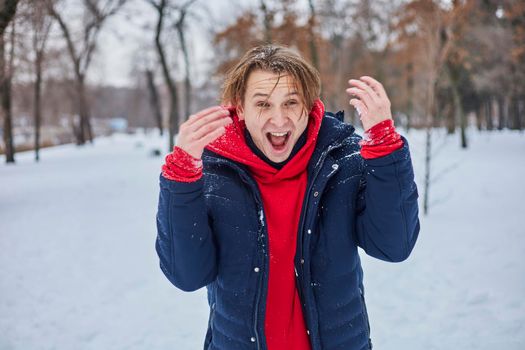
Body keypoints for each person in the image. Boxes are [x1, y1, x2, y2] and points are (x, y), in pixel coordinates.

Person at [155, 44, 420, 350]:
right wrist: (181, 179)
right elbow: (187, 275)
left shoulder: (344, 160)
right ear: (240, 108)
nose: (278, 120)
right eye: (263, 104)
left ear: (308, 105)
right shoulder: (214, 171)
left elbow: (394, 245)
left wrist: (386, 150)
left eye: (291, 102)